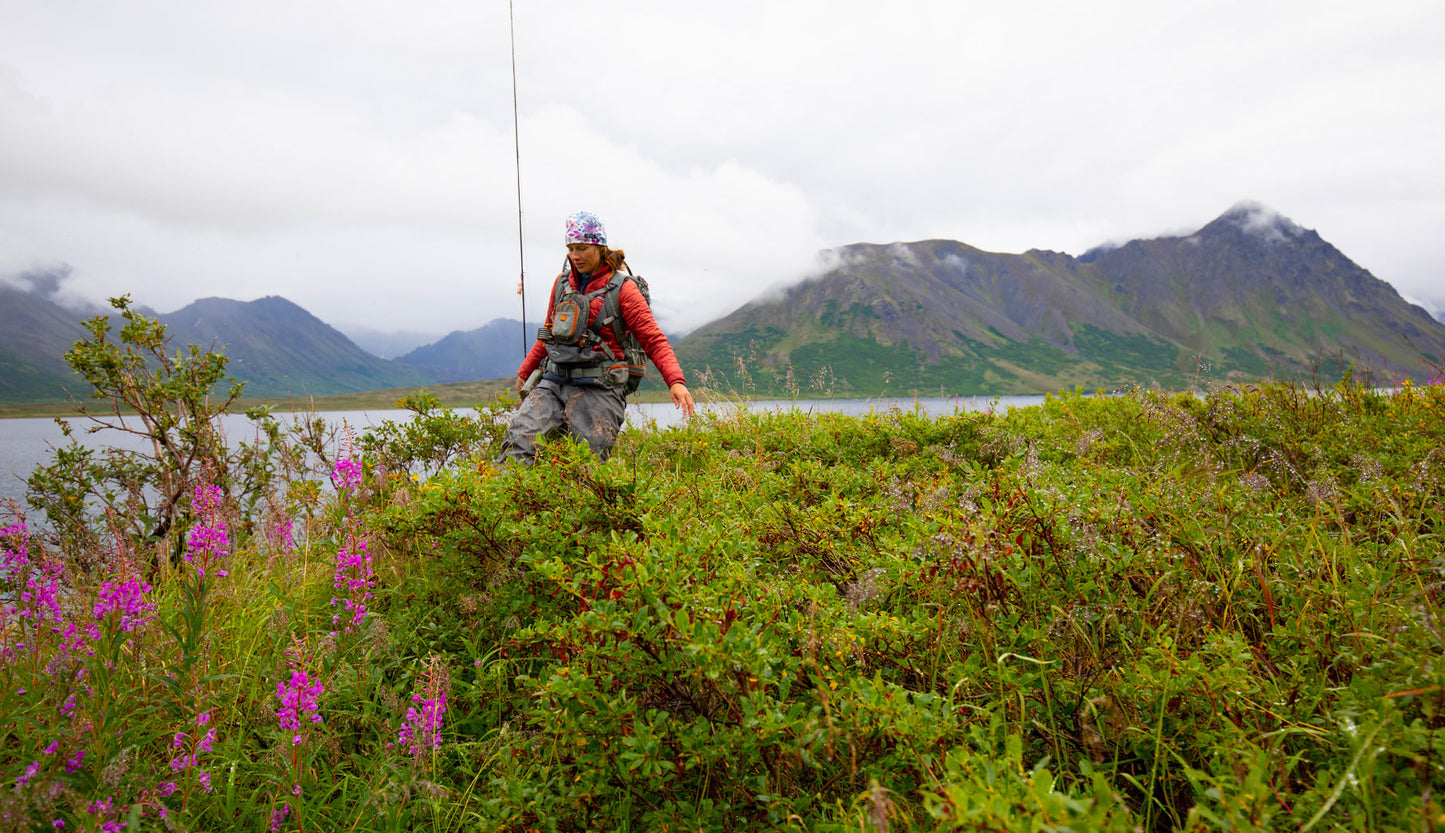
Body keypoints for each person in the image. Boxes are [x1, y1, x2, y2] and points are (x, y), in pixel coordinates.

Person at [498, 210, 696, 465]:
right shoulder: (561, 284)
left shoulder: (624, 289)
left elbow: (653, 340)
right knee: (517, 447)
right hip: (553, 381)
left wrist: (676, 381)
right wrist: (526, 372)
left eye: (581, 248)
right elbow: (549, 332)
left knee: (586, 467)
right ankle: (512, 504)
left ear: (599, 247)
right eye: (570, 248)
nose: (574, 255)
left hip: (600, 388)